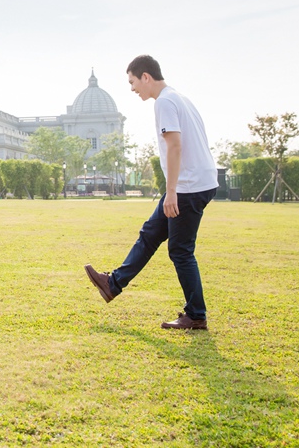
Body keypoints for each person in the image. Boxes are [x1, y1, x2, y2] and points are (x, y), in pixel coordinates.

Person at [85, 55, 218, 330]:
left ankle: (196, 315)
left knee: (180, 251)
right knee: (150, 234)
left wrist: (171, 192)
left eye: (133, 82)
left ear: (146, 77)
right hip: (193, 183)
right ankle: (113, 284)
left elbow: (175, 147)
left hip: (187, 187)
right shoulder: (179, 98)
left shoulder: (166, 102)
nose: (132, 88)